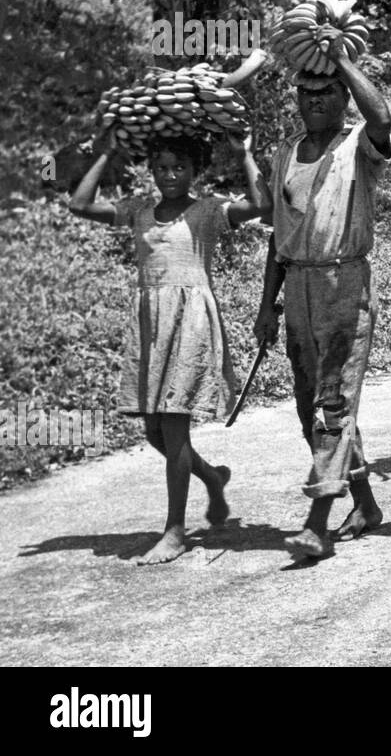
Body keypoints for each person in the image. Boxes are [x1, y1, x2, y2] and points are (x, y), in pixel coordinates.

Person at [68, 128, 270, 564]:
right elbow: (79, 204)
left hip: (190, 322)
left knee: (175, 427)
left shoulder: (208, 211)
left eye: (179, 167)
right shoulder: (139, 210)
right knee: (155, 431)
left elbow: (261, 205)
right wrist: (104, 155)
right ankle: (212, 477)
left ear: (195, 170)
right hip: (151, 325)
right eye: (161, 168)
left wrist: (246, 153)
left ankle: (175, 532)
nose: (170, 176)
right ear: (151, 171)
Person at [254, 29, 391, 559]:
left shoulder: (358, 143)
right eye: (307, 94)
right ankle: (365, 502)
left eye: (328, 92)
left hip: (344, 282)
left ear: (343, 97)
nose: (317, 102)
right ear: (296, 100)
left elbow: (381, 119)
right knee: (307, 402)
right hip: (299, 284)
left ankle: (317, 521)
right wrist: (267, 304)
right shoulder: (287, 151)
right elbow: (278, 233)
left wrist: (340, 57)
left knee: (332, 401)